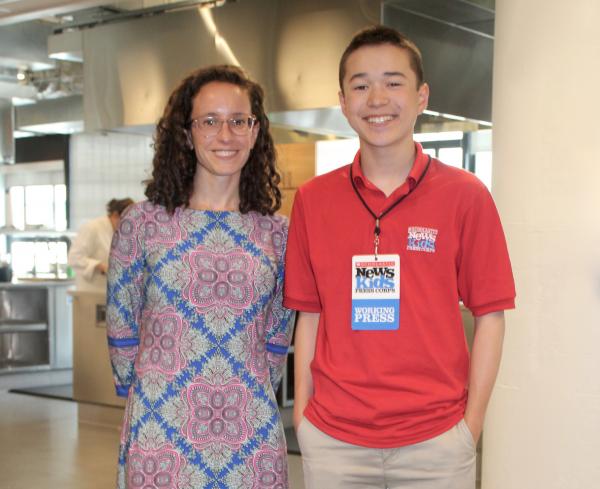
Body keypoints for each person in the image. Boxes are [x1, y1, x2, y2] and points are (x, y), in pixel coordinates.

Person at [284, 25, 516, 489]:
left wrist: (469, 428)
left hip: (436, 443)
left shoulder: (465, 196)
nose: (377, 99)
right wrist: (306, 419)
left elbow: (491, 314)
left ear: (421, 95)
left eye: (393, 82)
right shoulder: (313, 200)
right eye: (361, 85)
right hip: (334, 442)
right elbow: (308, 315)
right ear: (343, 101)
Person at [106, 65, 295, 489]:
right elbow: (121, 328)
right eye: (209, 121)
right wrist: (148, 396)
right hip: (161, 429)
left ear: (255, 131)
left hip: (250, 428)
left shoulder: (277, 233)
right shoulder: (144, 224)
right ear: (187, 134)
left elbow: (277, 337)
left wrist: (247, 387)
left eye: (238, 121)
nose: (225, 135)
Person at [68, 197, 133, 292]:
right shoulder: (92, 228)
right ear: (115, 215)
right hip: (90, 292)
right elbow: (74, 258)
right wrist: (100, 266)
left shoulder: (117, 233)